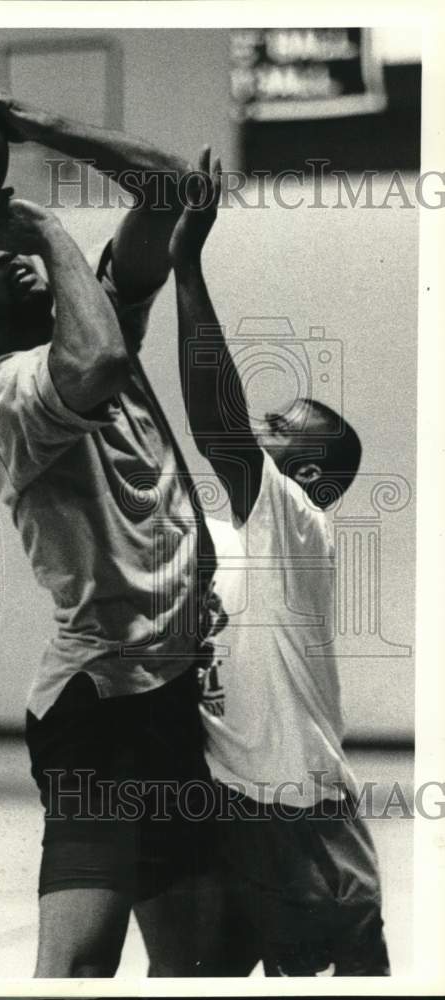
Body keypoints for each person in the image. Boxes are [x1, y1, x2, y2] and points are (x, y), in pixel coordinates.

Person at [0, 73, 222, 978]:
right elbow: (97, 364)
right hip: (99, 711)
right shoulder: (6, 389)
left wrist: (28, 123)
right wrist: (48, 231)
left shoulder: (90, 309)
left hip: (167, 696)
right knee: (76, 968)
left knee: (206, 961)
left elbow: (174, 188)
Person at [168, 147, 390, 976]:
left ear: (302, 473)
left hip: (299, 812)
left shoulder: (294, 521)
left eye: (277, 426)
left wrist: (186, 266)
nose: (258, 429)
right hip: (229, 807)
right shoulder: (229, 539)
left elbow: (214, 419)